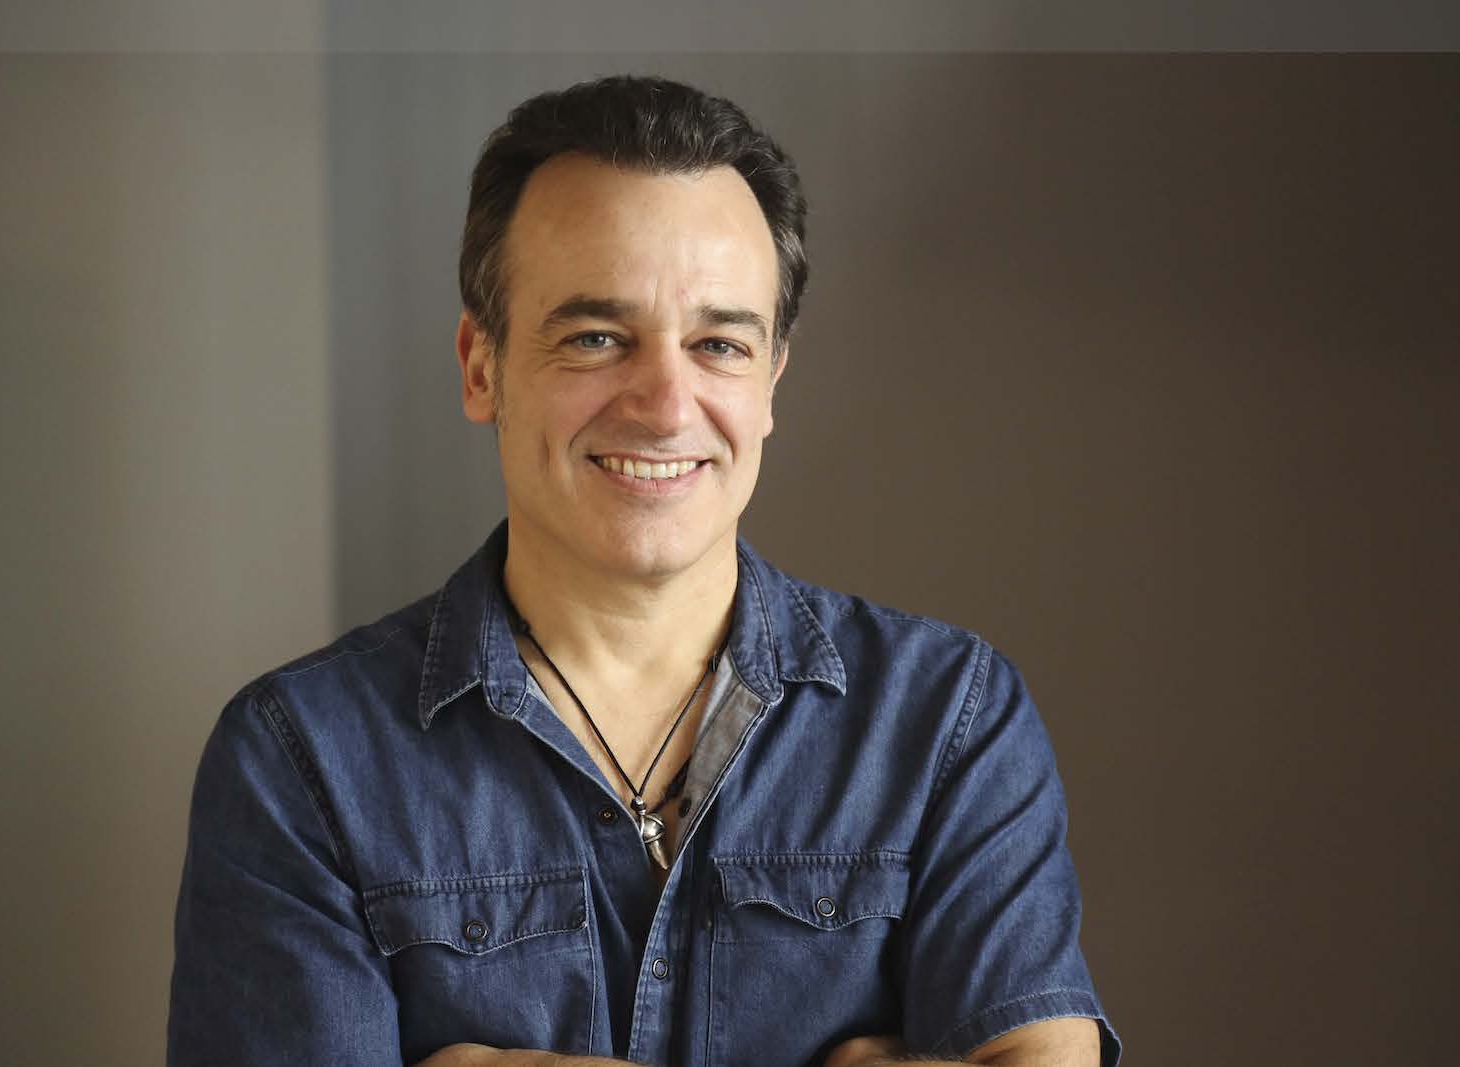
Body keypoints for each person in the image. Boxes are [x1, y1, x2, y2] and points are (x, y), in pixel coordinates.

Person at [167, 75, 1122, 1067]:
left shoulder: (948, 718)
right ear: (481, 365)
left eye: (719, 343)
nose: (666, 404)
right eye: (596, 337)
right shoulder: (302, 758)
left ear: (771, 380)